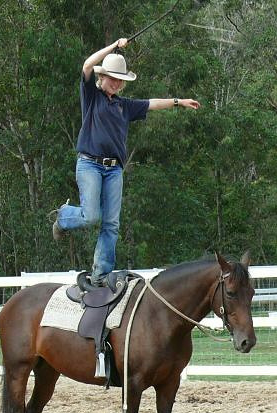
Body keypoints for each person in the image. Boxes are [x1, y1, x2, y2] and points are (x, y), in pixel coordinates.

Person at [51, 37, 200, 287]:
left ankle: (100, 274)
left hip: (114, 170)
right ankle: (64, 216)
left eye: (121, 79)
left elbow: (151, 103)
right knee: (90, 217)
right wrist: (114, 46)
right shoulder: (91, 96)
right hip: (90, 164)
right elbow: (87, 64)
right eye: (113, 78)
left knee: (111, 224)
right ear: (103, 77)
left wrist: (178, 102)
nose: (117, 83)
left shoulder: (125, 106)